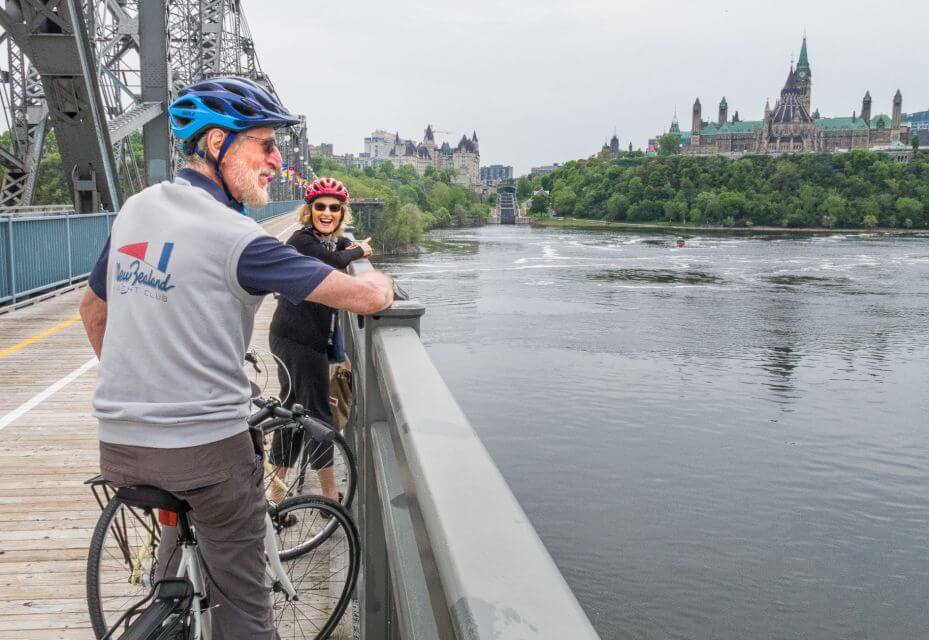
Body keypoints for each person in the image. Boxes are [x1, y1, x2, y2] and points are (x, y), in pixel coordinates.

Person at [78, 76, 394, 640]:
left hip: (120, 444)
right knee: (245, 607)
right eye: (265, 144)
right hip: (203, 453)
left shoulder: (135, 209)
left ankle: (167, 604)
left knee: (179, 552)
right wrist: (384, 281)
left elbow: (92, 311)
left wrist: (140, 389)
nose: (277, 161)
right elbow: (364, 296)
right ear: (218, 143)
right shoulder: (239, 238)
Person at [266, 177, 371, 505]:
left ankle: (274, 494)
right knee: (317, 417)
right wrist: (359, 250)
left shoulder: (325, 241)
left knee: (292, 414)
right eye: (320, 207)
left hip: (298, 338)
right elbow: (331, 263)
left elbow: (335, 250)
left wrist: (345, 246)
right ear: (308, 211)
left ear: (342, 213)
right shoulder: (301, 240)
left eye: (334, 208)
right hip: (298, 341)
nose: (327, 213)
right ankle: (328, 495)